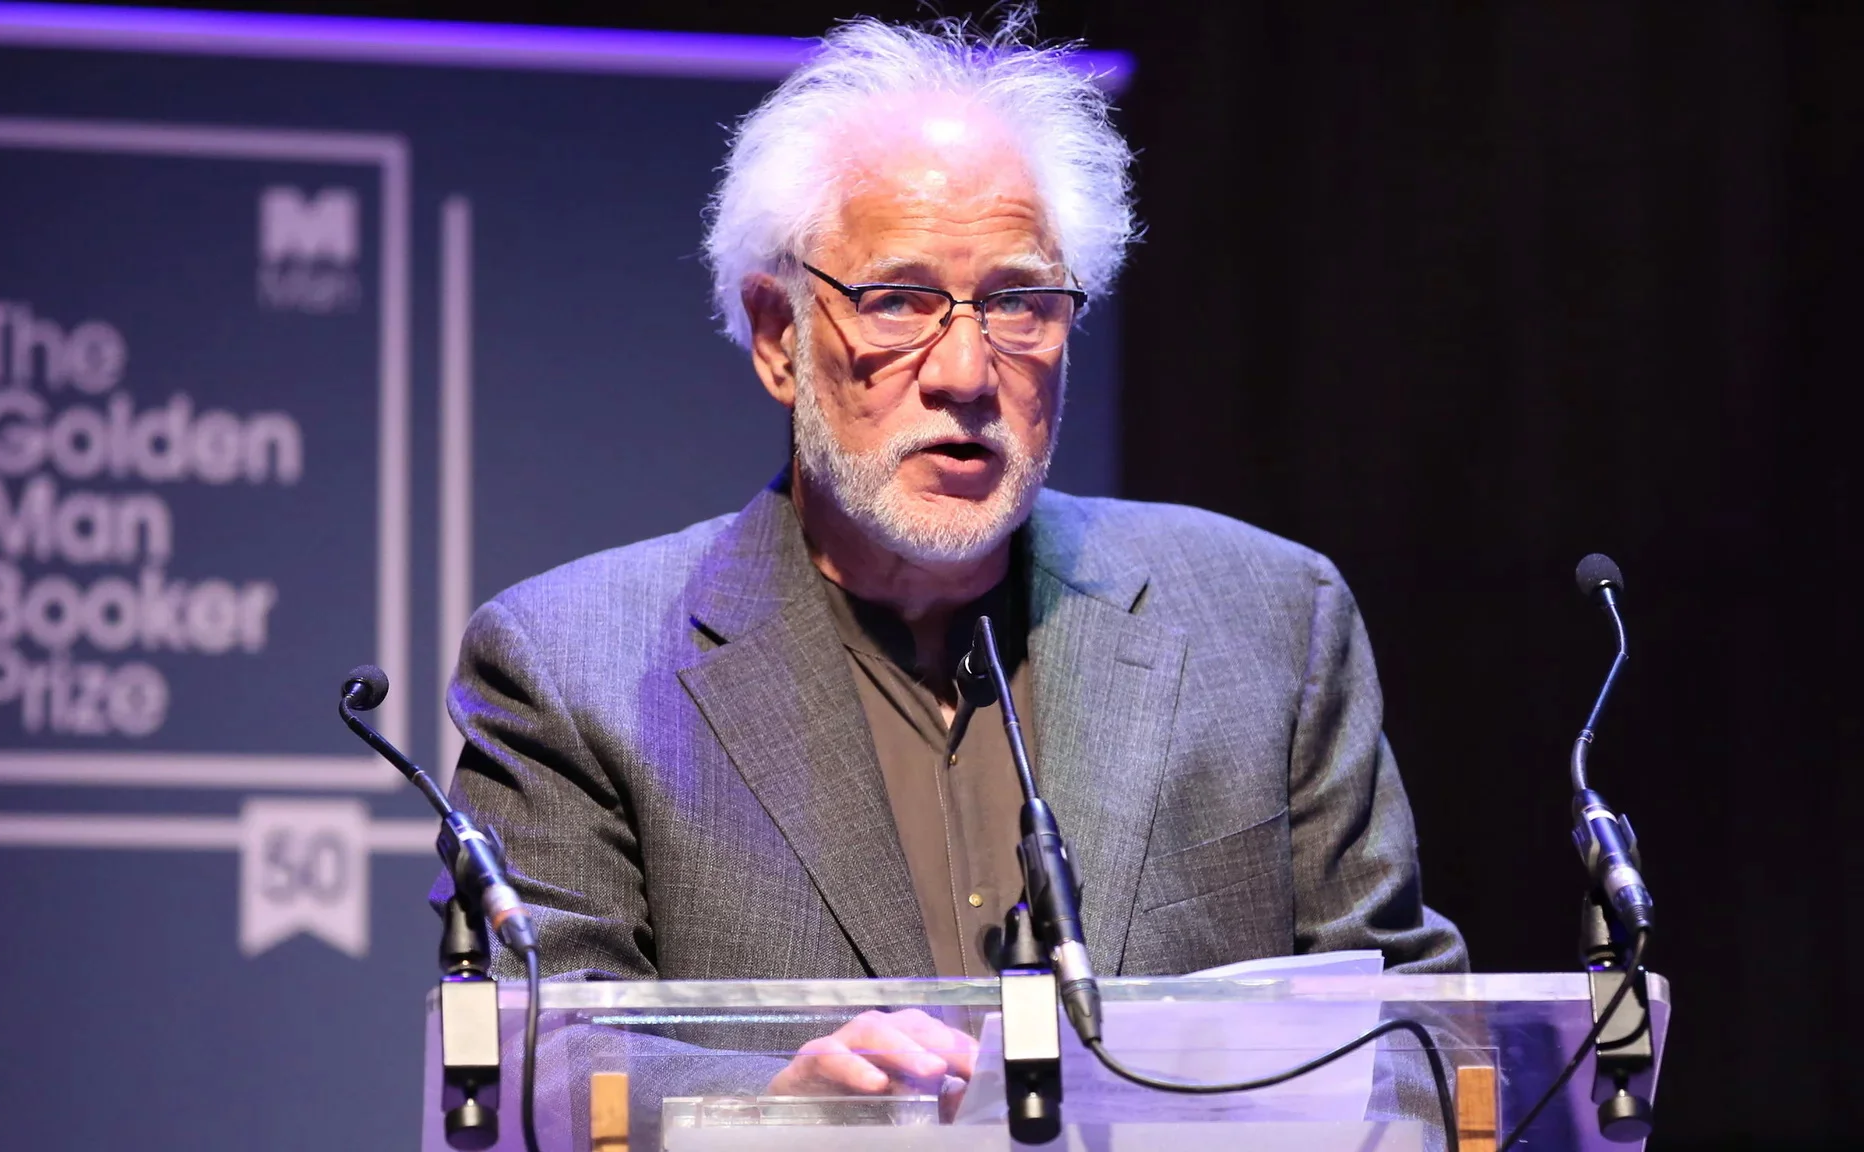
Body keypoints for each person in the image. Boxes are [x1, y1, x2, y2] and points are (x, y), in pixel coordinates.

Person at [434, 14, 1465, 1105]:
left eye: (1020, 302)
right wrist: (770, 1115)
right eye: (901, 301)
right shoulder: (573, 666)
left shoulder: (1267, 619)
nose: (968, 370)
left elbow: (1413, 1031)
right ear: (780, 336)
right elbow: (535, 1052)